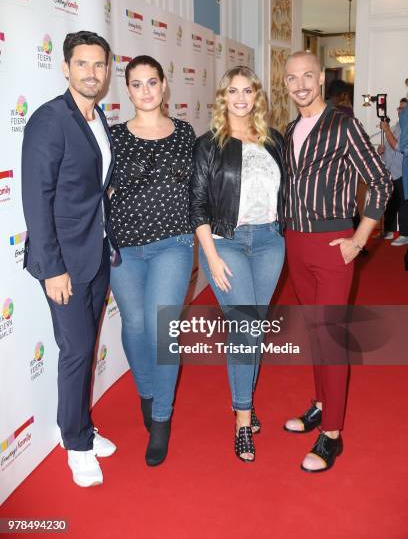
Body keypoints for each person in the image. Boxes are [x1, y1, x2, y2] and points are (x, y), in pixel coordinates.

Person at [282, 51, 392, 473]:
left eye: (308, 76)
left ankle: (332, 434)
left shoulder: (343, 125)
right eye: (292, 79)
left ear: (321, 80)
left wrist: (360, 238)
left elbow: (381, 182)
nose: (301, 85)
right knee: (314, 331)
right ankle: (321, 405)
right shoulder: (291, 128)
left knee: (330, 336)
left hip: (332, 246)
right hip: (296, 242)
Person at [21, 31, 117, 488]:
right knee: (77, 351)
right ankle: (76, 444)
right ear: (65, 68)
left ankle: (76, 426)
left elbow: (92, 185)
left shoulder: (97, 119)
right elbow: (36, 200)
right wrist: (53, 268)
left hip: (96, 252)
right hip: (63, 261)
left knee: (84, 347)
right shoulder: (49, 119)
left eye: (99, 65)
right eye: (83, 64)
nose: (92, 73)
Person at [190, 66, 285, 462]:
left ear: (257, 96)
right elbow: (196, 205)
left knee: (252, 330)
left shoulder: (274, 140)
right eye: (233, 90)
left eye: (248, 90)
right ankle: (243, 421)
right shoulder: (209, 143)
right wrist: (210, 256)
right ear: (223, 97)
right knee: (245, 326)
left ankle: (242, 399)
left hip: (269, 242)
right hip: (226, 243)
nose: (241, 98)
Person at [109, 55, 195, 466]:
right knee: (136, 325)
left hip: (172, 244)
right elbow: (95, 189)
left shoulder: (185, 133)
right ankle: (147, 391)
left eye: (152, 83)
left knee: (163, 330)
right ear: (127, 90)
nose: (146, 91)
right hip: (124, 247)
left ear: (164, 86)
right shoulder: (111, 136)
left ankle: (161, 418)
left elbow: (200, 189)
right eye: (137, 84)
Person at [378, 98, 408, 245]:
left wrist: (387, 129)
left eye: (403, 108)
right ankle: (389, 231)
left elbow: (398, 147)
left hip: (402, 171)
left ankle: (404, 234)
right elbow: (390, 147)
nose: (399, 111)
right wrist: (381, 151)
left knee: (404, 203)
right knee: (390, 203)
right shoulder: (397, 125)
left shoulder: (405, 127)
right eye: (399, 108)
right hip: (391, 171)